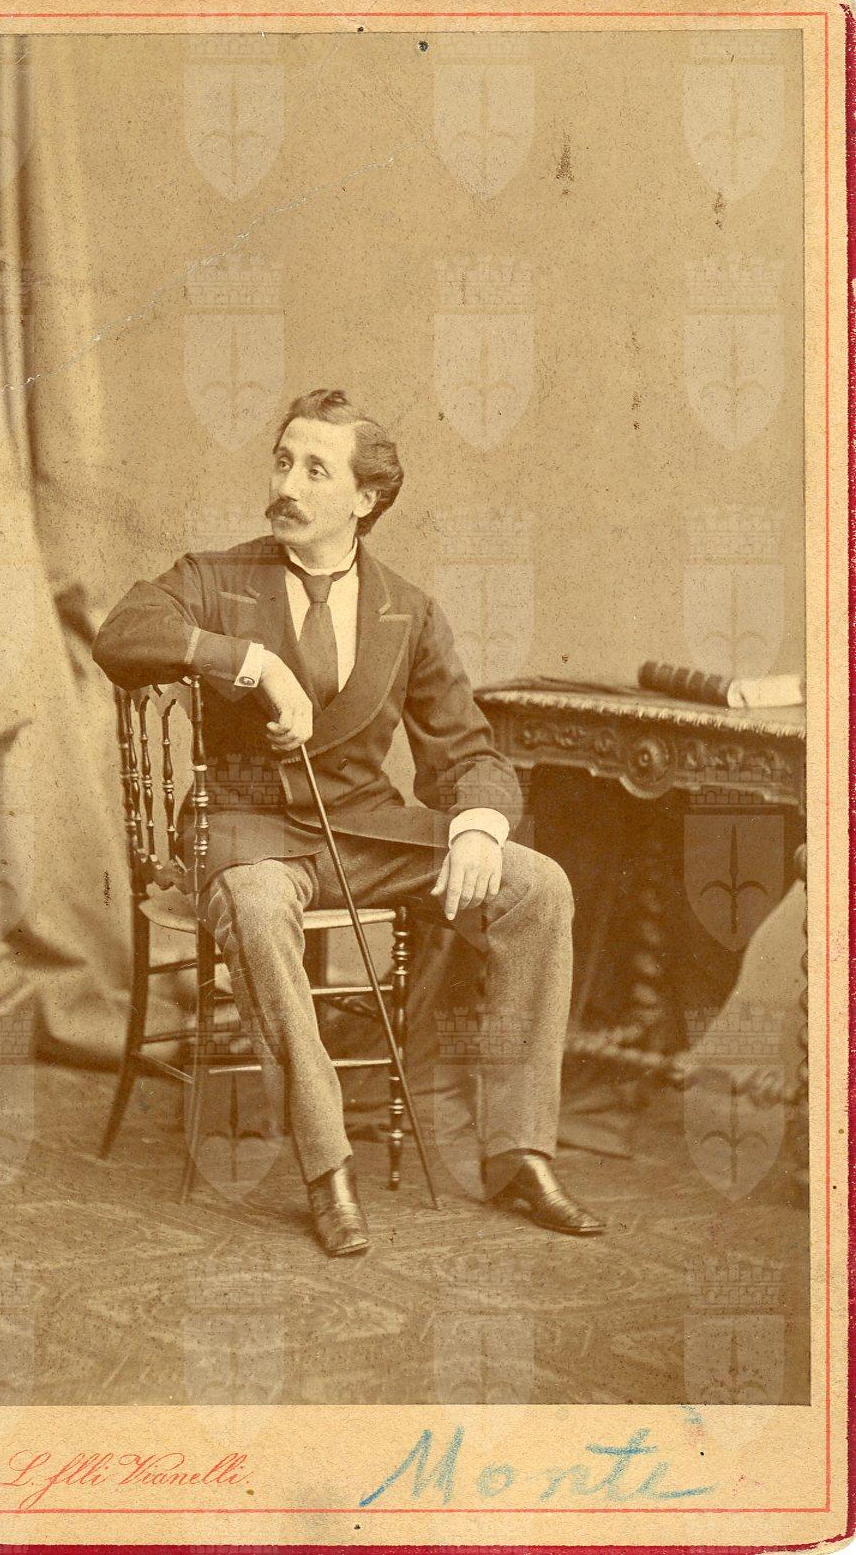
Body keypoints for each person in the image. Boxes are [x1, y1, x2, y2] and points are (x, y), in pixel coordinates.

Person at [93, 388, 606, 1256]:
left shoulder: (409, 610)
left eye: (314, 470)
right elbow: (121, 634)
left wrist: (478, 824)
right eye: (281, 462)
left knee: (537, 886)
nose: (286, 485)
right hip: (249, 831)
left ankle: (518, 1152)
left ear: (365, 499)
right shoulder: (215, 577)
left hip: (364, 835)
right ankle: (327, 1166)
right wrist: (252, 662)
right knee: (257, 907)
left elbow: (467, 751)